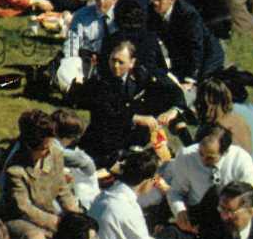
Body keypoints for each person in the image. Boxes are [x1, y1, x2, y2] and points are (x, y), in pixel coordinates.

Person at [75, 40, 185, 169]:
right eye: (113, 60)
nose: (116, 66)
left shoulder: (143, 75)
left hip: (135, 141)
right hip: (103, 144)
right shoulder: (100, 80)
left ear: (132, 62)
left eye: (121, 62)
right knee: (127, 173)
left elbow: (174, 91)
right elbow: (107, 113)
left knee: (155, 170)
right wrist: (136, 118)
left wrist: (173, 111)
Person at [0, 109, 80, 239]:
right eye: (43, 149)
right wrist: (56, 222)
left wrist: (74, 213)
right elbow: (24, 208)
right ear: (29, 146)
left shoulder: (54, 152)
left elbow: (61, 185)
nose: (48, 152)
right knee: (36, 238)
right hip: (19, 219)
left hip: (49, 213)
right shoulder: (15, 170)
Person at [167, 125, 253, 233]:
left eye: (210, 157)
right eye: (200, 154)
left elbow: (252, 199)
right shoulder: (186, 157)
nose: (203, 160)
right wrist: (179, 211)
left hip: (230, 216)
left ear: (224, 152)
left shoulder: (241, 160)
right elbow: (175, 192)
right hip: (198, 214)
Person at [147, 0, 224, 90]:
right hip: (182, 56)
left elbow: (196, 47)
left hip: (207, 57)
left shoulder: (188, 14)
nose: (155, 2)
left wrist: (191, 79)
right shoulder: (152, 11)